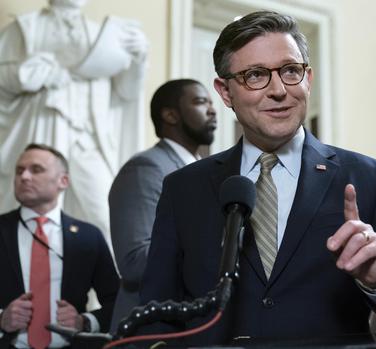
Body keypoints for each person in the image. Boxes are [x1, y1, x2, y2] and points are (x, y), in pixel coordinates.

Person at [140, 10, 376, 347]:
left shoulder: (366, 177)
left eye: (290, 71)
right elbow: (155, 314)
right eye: (255, 75)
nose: (279, 90)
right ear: (225, 92)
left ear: (307, 79)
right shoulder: (184, 188)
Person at [0, 0, 148, 246]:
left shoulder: (104, 34)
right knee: (35, 213)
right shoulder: (25, 28)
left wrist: (138, 59)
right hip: (44, 127)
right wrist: (29, 72)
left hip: (87, 138)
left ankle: (115, 283)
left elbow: (127, 92)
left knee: (106, 214)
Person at [109, 79, 217, 331]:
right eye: (201, 102)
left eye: (211, 103)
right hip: (152, 330)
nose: (212, 109)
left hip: (195, 325)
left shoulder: (208, 172)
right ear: (170, 115)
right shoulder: (145, 169)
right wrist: (219, 246)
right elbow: (134, 262)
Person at [0, 143, 119, 349]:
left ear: (63, 181)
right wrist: (2, 319)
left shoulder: (89, 237)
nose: (24, 177)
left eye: (36, 170)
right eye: (20, 171)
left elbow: (117, 302)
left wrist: (85, 322)